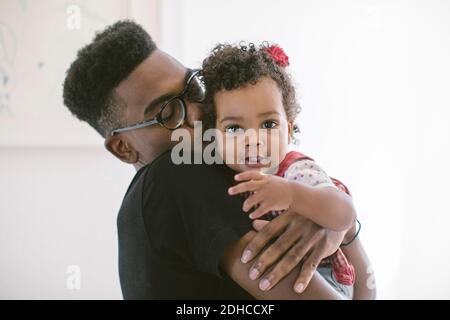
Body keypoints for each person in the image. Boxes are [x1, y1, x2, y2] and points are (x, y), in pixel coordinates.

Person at [62, 20, 375, 299]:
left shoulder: (234, 170)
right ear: (124, 148)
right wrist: (337, 225)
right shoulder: (175, 176)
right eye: (170, 112)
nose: (199, 112)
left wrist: (332, 219)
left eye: (194, 86)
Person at [200, 42, 375, 298]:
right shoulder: (219, 177)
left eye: (268, 124)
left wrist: (293, 195)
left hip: (325, 280)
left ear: (289, 130)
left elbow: (345, 213)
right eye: (235, 128)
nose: (253, 139)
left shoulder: (295, 170)